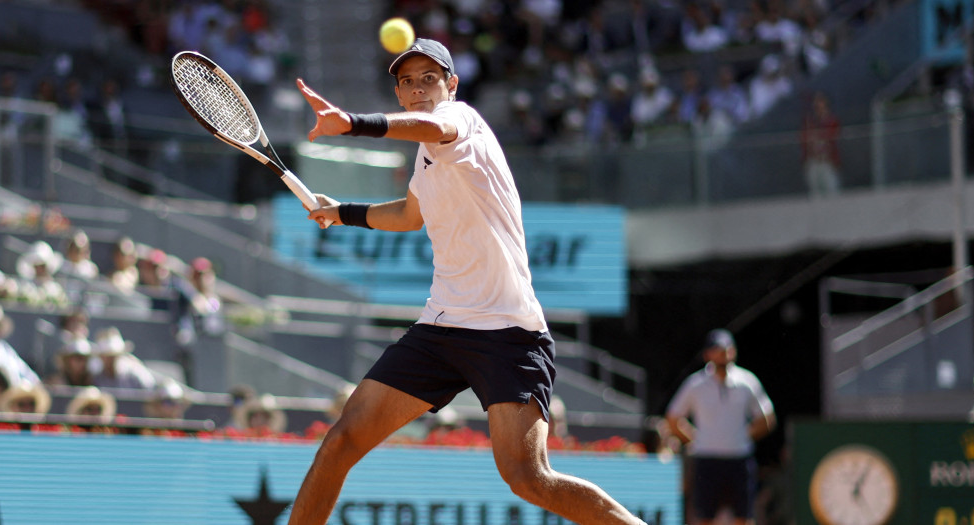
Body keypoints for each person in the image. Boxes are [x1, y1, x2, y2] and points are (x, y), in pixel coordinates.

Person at [291, 38, 645, 524]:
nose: (418, 89)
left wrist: (353, 123)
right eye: (408, 82)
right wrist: (341, 212)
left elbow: (434, 126)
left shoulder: (461, 120)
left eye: (429, 79)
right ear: (399, 94)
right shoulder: (425, 156)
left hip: (508, 332)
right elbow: (411, 215)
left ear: (451, 85)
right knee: (342, 440)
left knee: (527, 477)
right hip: (442, 328)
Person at [665, 329, 776, 525]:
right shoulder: (695, 384)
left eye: (727, 349)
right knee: (704, 517)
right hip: (707, 459)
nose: (723, 354)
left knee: (744, 517)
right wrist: (696, 438)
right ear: (707, 354)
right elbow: (673, 418)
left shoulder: (747, 381)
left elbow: (767, 419)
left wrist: (741, 436)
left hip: (739, 459)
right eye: (717, 349)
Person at [801, 91, 841, 197]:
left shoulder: (831, 121)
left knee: (832, 190)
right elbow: (805, 139)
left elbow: (832, 137)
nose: (818, 105)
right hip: (814, 161)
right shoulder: (810, 121)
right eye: (816, 103)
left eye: (821, 102)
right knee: (815, 193)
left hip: (827, 161)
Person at [90, 327, 155, 390]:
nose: (109, 359)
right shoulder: (96, 377)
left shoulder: (135, 373)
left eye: (113, 356)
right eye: (106, 356)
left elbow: (150, 389)